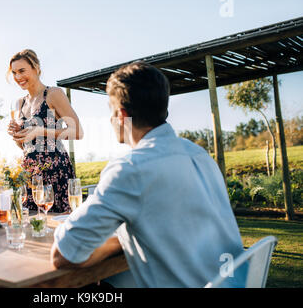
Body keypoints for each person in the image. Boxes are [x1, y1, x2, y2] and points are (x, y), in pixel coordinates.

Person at [50, 62, 247, 288]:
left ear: (121, 115)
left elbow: (63, 255)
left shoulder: (130, 169)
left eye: (110, 111)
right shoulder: (200, 155)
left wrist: (120, 241)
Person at [7, 49, 83, 213]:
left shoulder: (53, 94)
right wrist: (17, 135)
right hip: (30, 173)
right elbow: (24, 146)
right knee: (34, 226)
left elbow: (77, 131)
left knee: (60, 224)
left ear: (36, 68)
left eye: (22, 71)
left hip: (56, 170)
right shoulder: (19, 103)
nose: (18, 77)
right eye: (14, 73)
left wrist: (40, 131)